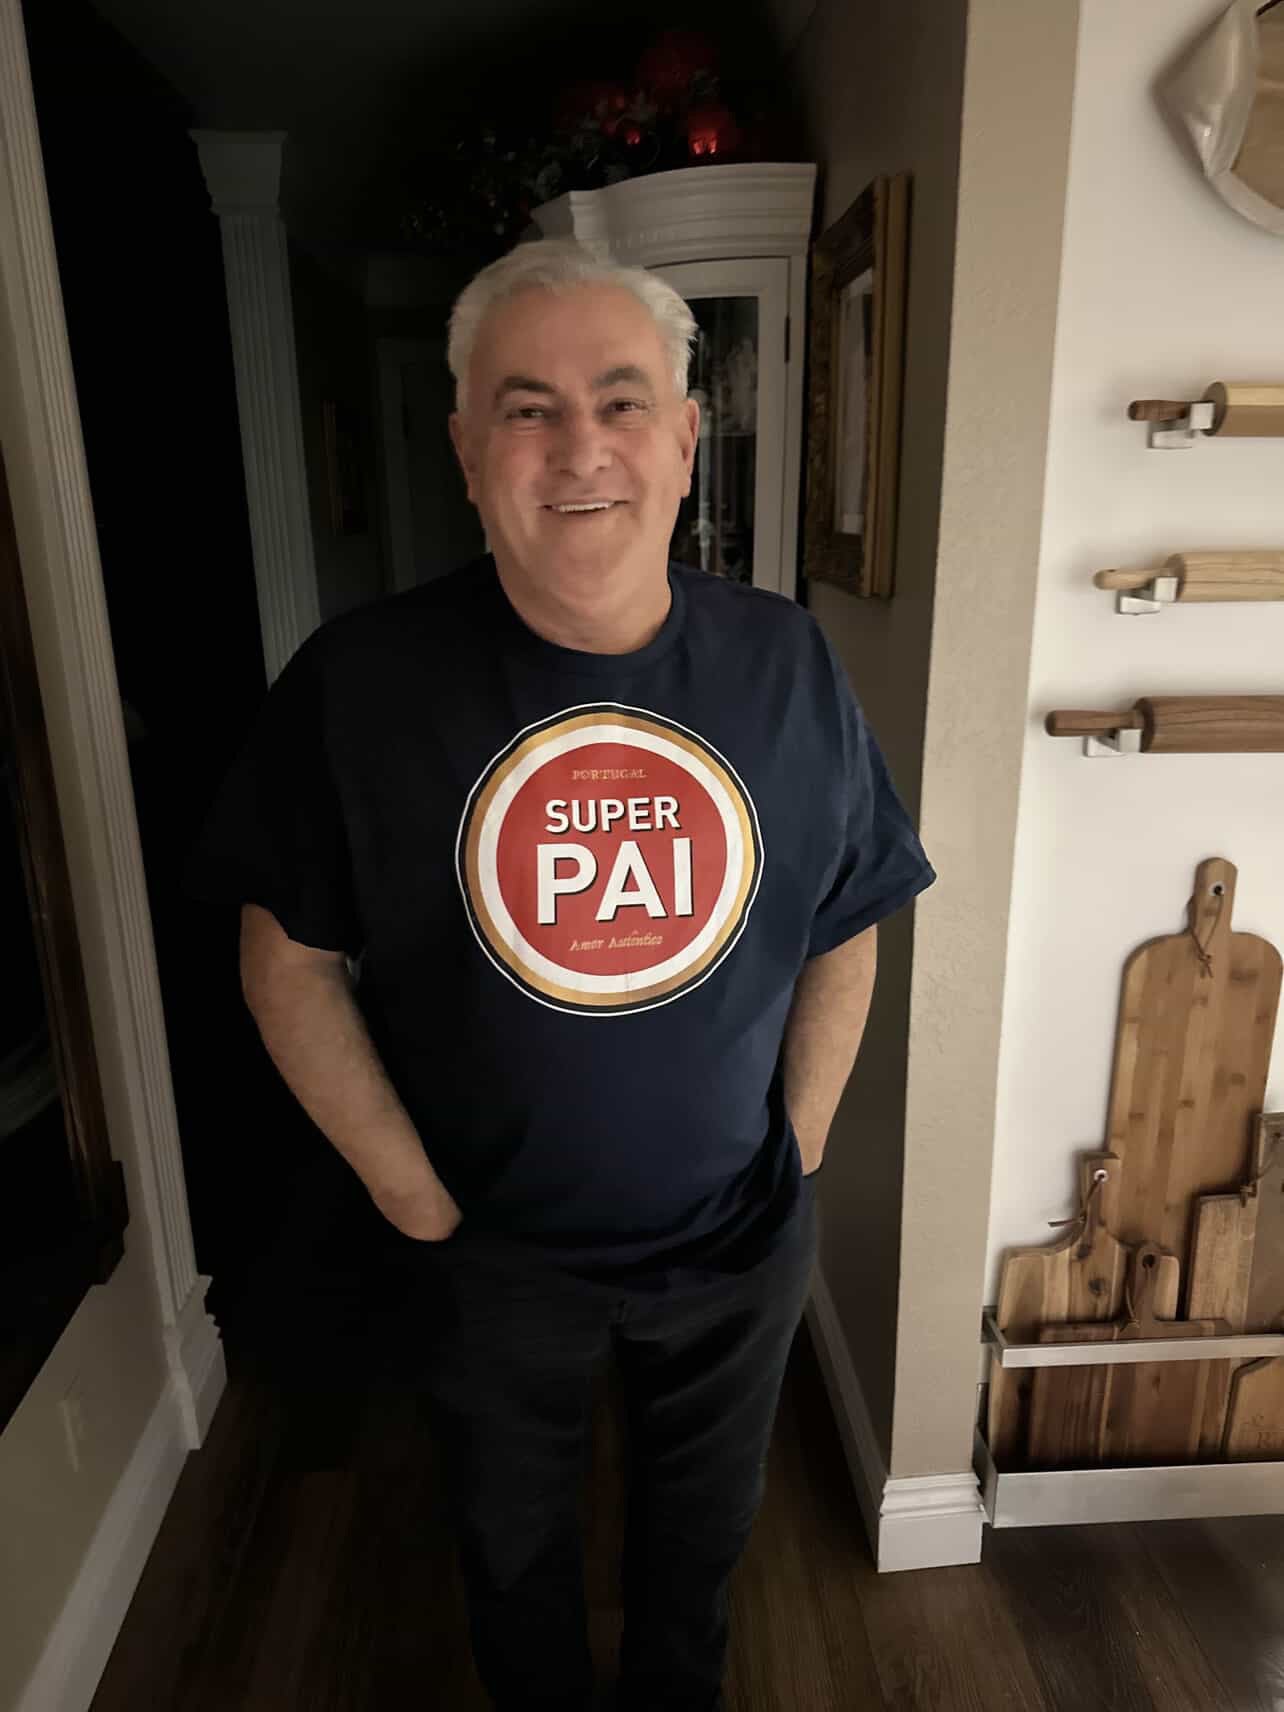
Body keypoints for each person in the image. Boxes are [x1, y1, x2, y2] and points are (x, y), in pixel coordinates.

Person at [184, 236, 935, 1712]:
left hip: (735, 1241)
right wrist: (417, 1201)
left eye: (620, 400)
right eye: (526, 409)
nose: (579, 447)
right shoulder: (358, 684)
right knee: (509, 1559)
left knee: (698, 1561)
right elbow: (288, 965)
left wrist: (797, 1149)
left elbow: (848, 914)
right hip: (490, 1257)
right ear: (467, 452)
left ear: (685, 439)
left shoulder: (786, 661)